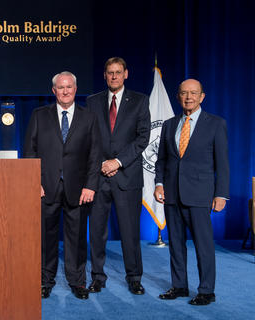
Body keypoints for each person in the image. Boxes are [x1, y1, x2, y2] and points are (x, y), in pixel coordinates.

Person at [24, 71, 101, 300]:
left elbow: (95, 155)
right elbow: (30, 151)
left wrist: (91, 186)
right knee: (45, 238)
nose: (65, 91)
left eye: (69, 87)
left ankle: (77, 281)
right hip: (45, 187)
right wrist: (33, 182)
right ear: (54, 91)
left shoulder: (90, 118)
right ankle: (45, 281)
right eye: (61, 87)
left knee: (76, 238)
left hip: (79, 189)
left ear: (75, 90)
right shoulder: (39, 115)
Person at [154, 79, 229, 306]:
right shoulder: (168, 124)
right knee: (176, 244)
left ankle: (207, 291)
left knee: (203, 246)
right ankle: (179, 286)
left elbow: (222, 164)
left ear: (202, 97)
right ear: (178, 96)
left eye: (193, 93)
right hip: (172, 196)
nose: (188, 97)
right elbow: (162, 161)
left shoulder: (215, 124)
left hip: (199, 195)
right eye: (184, 93)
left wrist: (221, 194)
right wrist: (159, 184)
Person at [85, 57, 150, 295]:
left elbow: (143, 138)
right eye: (110, 72)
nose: (114, 76)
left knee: (130, 231)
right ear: (105, 75)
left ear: (126, 74)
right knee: (97, 231)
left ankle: (134, 277)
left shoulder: (140, 101)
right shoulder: (92, 102)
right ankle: (97, 277)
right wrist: (102, 163)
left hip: (127, 177)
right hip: (99, 177)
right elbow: (88, 138)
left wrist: (118, 161)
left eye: (118, 72)